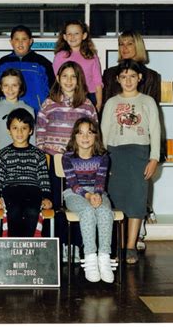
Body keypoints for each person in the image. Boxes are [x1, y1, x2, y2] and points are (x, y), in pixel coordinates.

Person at [101, 59, 161, 265]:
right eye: (124, 77)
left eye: (132, 76)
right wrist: (103, 161)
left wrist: (154, 158)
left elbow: (156, 131)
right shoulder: (111, 103)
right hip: (114, 155)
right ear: (117, 79)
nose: (128, 80)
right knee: (115, 201)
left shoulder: (148, 102)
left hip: (140, 154)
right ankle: (116, 245)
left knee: (136, 200)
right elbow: (103, 133)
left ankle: (130, 246)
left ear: (140, 78)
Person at [36, 61, 98, 213]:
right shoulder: (49, 103)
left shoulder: (87, 105)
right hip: (53, 158)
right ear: (57, 78)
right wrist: (41, 155)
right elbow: (40, 130)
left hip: (79, 160)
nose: (69, 81)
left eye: (73, 77)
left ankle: (77, 236)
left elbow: (94, 132)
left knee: (78, 199)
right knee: (54, 202)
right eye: (65, 76)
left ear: (79, 80)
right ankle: (57, 235)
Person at [62, 117, 114, 283]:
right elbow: (73, 183)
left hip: (97, 192)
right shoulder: (67, 157)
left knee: (105, 211)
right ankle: (90, 257)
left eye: (89, 133)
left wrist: (97, 194)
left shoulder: (103, 157)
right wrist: (88, 196)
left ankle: (104, 258)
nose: (85, 137)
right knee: (87, 210)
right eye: (80, 133)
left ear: (96, 137)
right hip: (74, 193)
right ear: (74, 137)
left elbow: (100, 181)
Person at [0, 108, 52, 237]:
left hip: (32, 190)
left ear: (30, 131)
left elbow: (44, 179)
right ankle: (15, 246)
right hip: (11, 190)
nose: (19, 132)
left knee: (31, 210)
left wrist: (46, 197)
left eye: (24, 128)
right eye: (15, 128)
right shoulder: (3, 154)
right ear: (9, 131)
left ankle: (29, 246)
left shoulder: (38, 154)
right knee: (13, 210)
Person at [0, 25, 55, 115]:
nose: (20, 43)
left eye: (24, 39)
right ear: (11, 42)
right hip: (8, 113)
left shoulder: (42, 63)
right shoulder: (2, 63)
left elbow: (53, 90)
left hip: (37, 113)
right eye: (17, 39)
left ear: (30, 41)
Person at [53, 20, 103, 112]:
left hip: (89, 96)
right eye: (69, 34)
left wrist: (99, 103)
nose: (72, 37)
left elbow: (98, 82)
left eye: (76, 33)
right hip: (66, 96)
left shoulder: (91, 56)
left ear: (84, 35)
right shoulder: (60, 56)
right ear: (64, 36)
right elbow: (58, 81)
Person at [102, 30, 161, 106]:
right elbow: (105, 106)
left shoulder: (151, 76)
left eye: (129, 44)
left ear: (138, 46)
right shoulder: (109, 74)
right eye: (121, 44)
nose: (124, 48)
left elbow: (151, 109)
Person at [0, 68, 35, 156]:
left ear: (20, 87)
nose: (10, 89)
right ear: (0, 87)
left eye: (14, 85)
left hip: (22, 154)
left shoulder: (29, 110)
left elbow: (32, 139)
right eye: (6, 85)